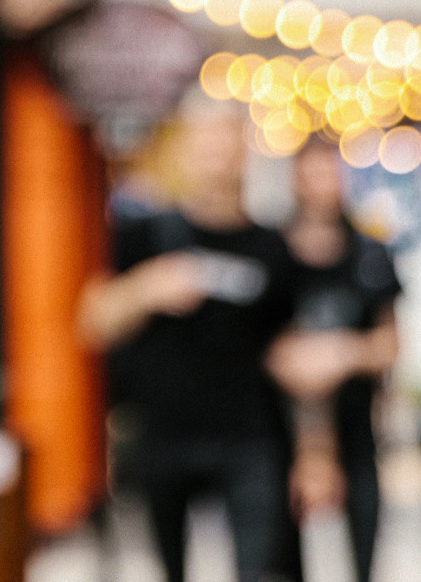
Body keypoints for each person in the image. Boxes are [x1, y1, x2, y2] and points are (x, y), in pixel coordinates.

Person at [80, 99, 298, 582]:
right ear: (186, 150)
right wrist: (147, 288)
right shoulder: (146, 235)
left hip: (251, 435)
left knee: (260, 567)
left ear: (245, 150)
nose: (215, 152)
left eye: (226, 138)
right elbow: (92, 321)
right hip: (165, 433)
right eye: (205, 139)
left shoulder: (272, 246)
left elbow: (289, 341)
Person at [270, 141, 403, 582]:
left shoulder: (370, 252)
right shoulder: (273, 252)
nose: (320, 186)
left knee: (364, 544)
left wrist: (341, 353)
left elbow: (390, 343)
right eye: (310, 175)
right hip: (281, 429)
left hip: (356, 423)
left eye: (327, 173)